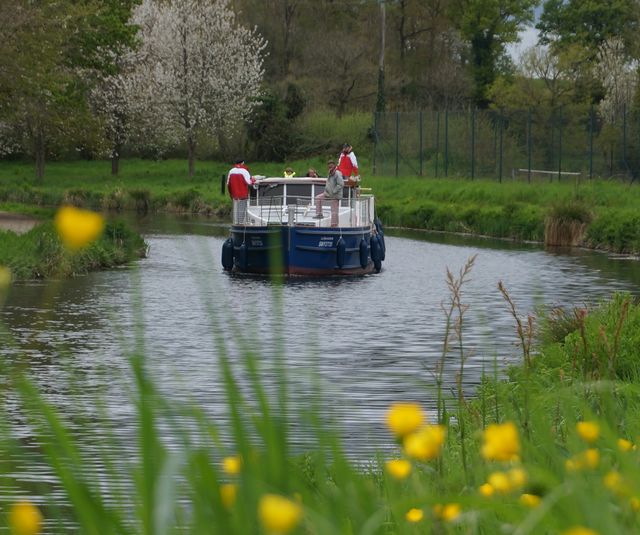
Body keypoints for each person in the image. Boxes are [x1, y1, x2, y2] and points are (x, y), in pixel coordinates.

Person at [314, 160, 343, 226]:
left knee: (334, 210)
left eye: (331, 166)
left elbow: (341, 184)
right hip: (328, 193)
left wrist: (334, 191)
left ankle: (334, 224)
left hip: (335, 195)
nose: (330, 167)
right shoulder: (330, 173)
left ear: (334, 166)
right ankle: (319, 214)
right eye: (329, 166)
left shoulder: (338, 174)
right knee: (318, 198)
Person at [226, 158, 254, 223]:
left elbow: (228, 184)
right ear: (242, 163)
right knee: (242, 210)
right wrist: (253, 179)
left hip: (234, 196)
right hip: (243, 195)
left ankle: (236, 223)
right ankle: (241, 223)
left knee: (236, 212)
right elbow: (249, 182)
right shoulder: (244, 171)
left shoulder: (231, 171)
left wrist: (231, 194)